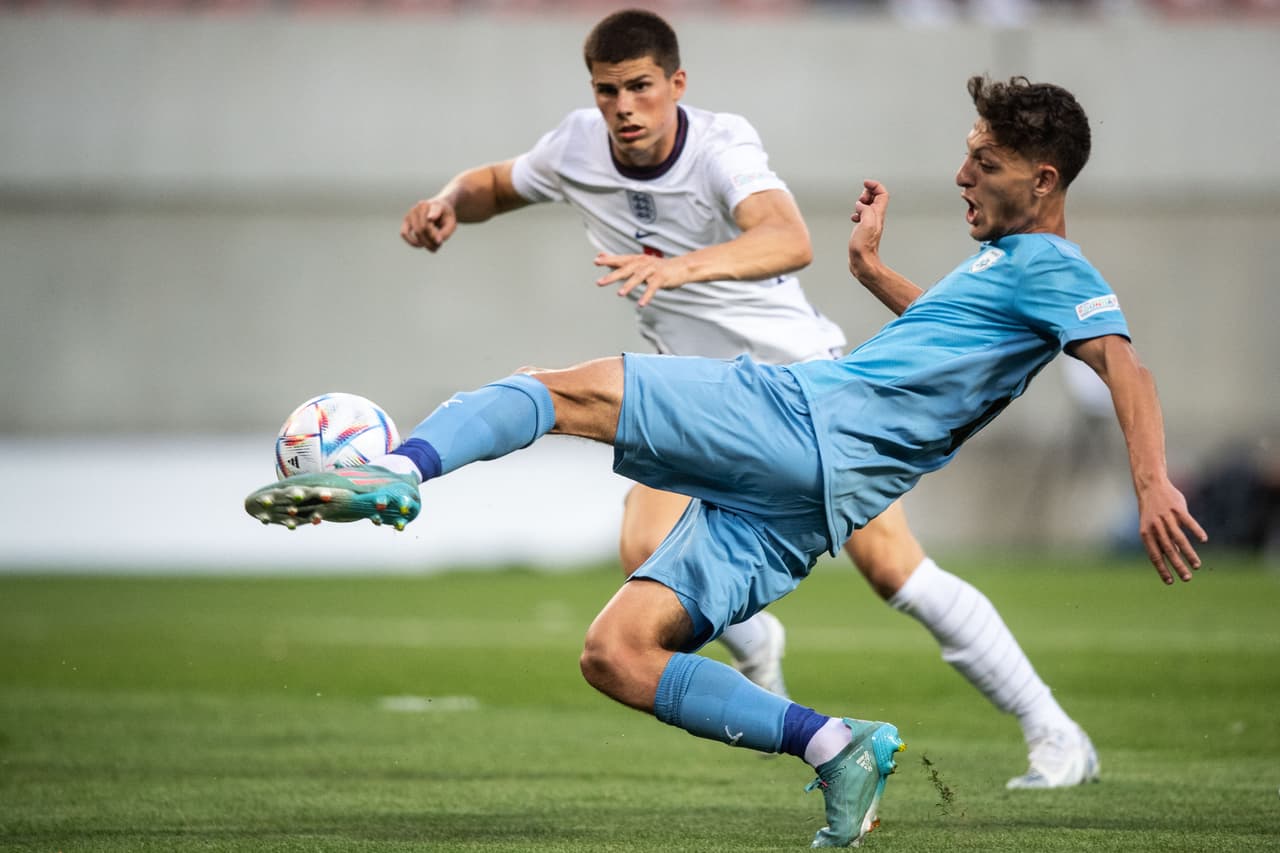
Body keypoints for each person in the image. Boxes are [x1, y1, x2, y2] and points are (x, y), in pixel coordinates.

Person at [245, 75, 1206, 846]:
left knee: (553, 390)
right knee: (617, 655)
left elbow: (1127, 368)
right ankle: (836, 746)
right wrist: (873, 274)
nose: (961, 176)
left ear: (1043, 180)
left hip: (804, 420)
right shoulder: (1009, 267)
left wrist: (1152, 481)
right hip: (817, 498)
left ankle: (399, 469)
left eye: (983, 163)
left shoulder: (1059, 268)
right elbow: (954, 343)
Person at [397, 8, 1097, 790]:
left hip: (803, 390)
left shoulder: (721, 145)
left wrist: (678, 268)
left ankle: (1053, 728)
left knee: (893, 570)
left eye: (640, 87)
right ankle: (759, 644)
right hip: (695, 393)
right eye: (607, 91)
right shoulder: (575, 147)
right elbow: (495, 183)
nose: (624, 107)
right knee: (644, 556)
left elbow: (787, 238)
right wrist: (447, 200)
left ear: (676, 84)